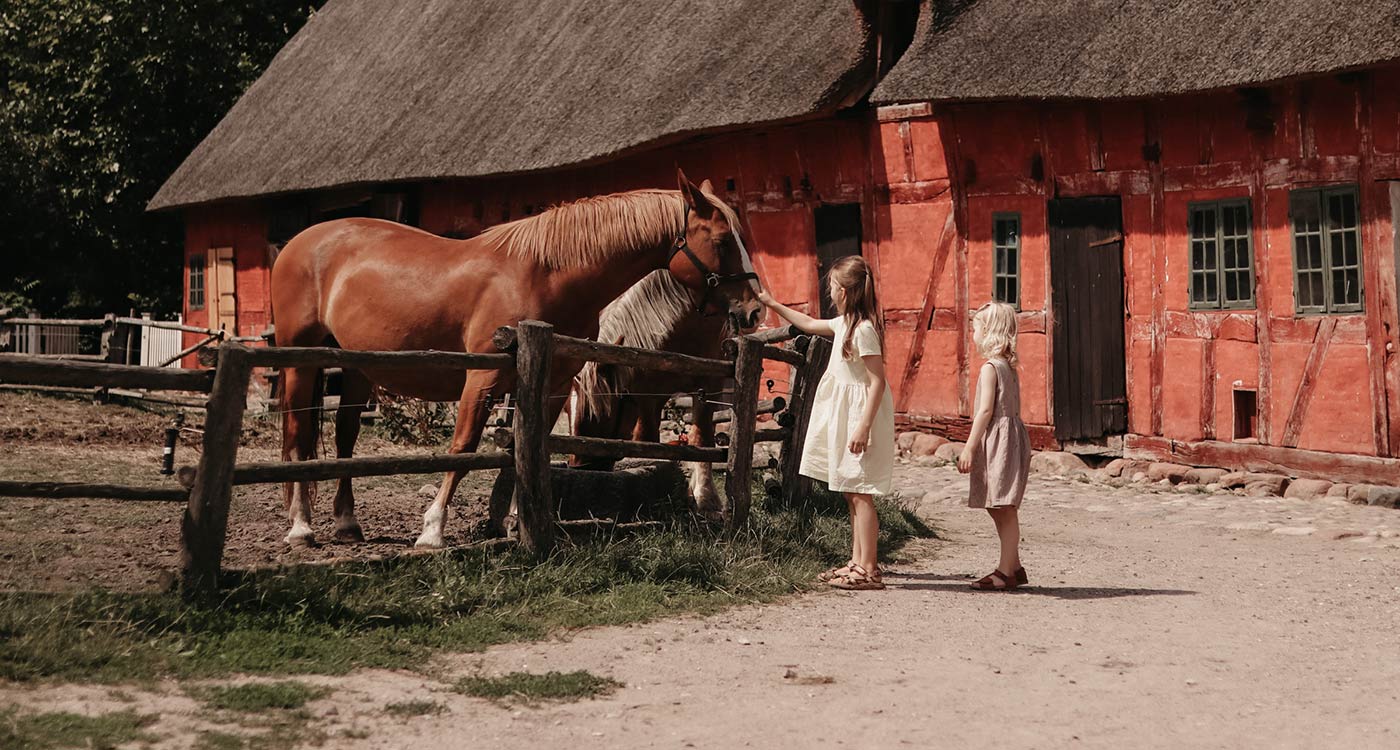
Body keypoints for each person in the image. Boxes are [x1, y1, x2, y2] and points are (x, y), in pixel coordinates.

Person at [756, 256, 894, 591]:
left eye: (832, 287)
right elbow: (806, 322)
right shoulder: (843, 323)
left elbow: (877, 381)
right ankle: (857, 562)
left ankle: (870, 569)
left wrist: (863, 426)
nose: (829, 293)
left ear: (844, 292)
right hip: (846, 415)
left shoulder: (863, 331)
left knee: (861, 493)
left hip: (860, 416)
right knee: (850, 490)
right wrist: (772, 303)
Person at [957, 302, 1032, 591]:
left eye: (976, 328)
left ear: (989, 332)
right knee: (997, 504)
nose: (973, 334)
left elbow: (986, 411)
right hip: (1008, 439)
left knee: (1004, 507)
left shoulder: (991, 368)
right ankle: (1013, 565)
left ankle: (1005, 571)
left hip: (999, 441)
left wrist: (969, 446)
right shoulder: (1008, 367)